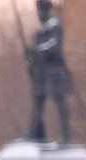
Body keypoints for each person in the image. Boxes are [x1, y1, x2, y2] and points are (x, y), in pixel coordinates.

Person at [26, 0, 72, 144]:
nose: (39, 13)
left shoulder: (54, 25)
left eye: (41, 9)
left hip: (55, 72)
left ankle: (65, 137)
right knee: (38, 102)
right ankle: (33, 133)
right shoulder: (41, 28)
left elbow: (54, 46)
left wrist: (36, 50)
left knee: (60, 103)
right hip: (42, 74)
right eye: (38, 9)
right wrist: (30, 61)